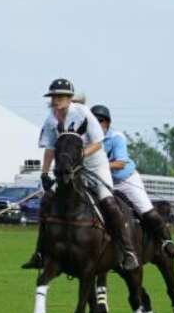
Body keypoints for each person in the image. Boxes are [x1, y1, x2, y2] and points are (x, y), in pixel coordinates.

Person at [21, 79, 139, 271]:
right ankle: (40, 253)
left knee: (108, 202)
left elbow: (98, 143)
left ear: (69, 98)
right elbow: (50, 148)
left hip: (94, 164)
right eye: (53, 97)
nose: (56, 100)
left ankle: (127, 251)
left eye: (60, 96)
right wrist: (44, 172)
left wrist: (79, 155)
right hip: (69, 168)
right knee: (47, 201)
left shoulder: (83, 113)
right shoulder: (51, 120)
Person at [91, 104, 174, 257]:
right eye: (92, 122)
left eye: (99, 121)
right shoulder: (87, 141)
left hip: (126, 180)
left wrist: (98, 165)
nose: (95, 125)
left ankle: (166, 241)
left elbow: (120, 163)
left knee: (147, 211)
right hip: (102, 182)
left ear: (106, 123)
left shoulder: (116, 137)